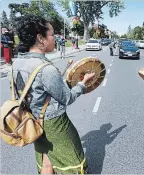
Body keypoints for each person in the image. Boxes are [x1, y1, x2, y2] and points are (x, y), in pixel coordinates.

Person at [11, 15, 94, 174]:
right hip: (54, 124)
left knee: (46, 161)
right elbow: (67, 98)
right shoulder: (45, 68)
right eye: (52, 35)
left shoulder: (17, 63)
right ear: (41, 38)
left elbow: (33, 91)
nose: (55, 38)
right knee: (74, 162)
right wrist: (83, 84)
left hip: (32, 120)